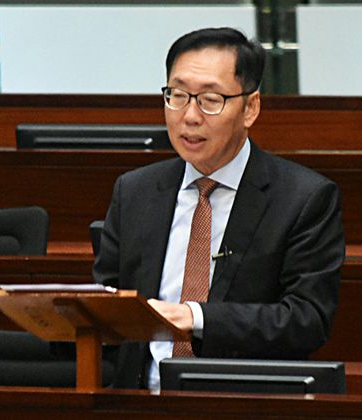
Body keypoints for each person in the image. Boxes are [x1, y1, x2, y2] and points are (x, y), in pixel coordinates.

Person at [93, 27, 345, 391]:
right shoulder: (135, 191)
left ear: (250, 108)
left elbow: (307, 319)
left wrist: (194, 317)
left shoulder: (304, 198)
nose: (190, 116)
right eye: (177, 95)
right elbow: (106, 304)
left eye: (210, 100)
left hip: (241, 401)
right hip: (139, 400)